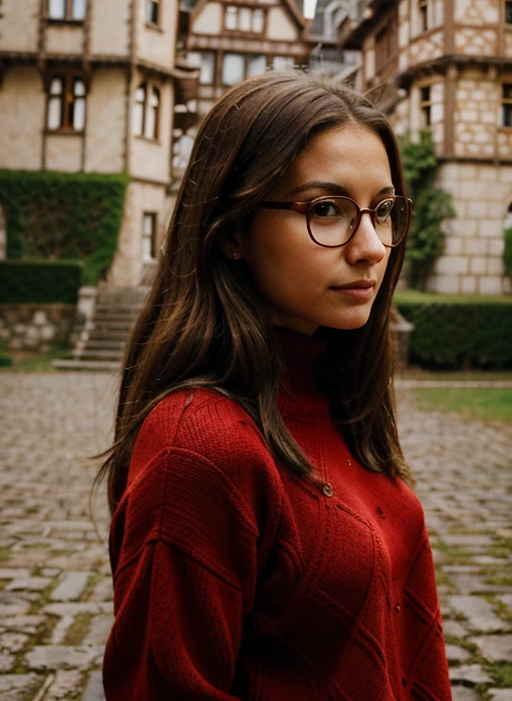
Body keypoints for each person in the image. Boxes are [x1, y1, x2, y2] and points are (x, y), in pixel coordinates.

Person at [99, 70, 451, 700]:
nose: (372, 247)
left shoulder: (335, 396)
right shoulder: (200, 445)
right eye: (325, 209)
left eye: (384, 211)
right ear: (231, 229)